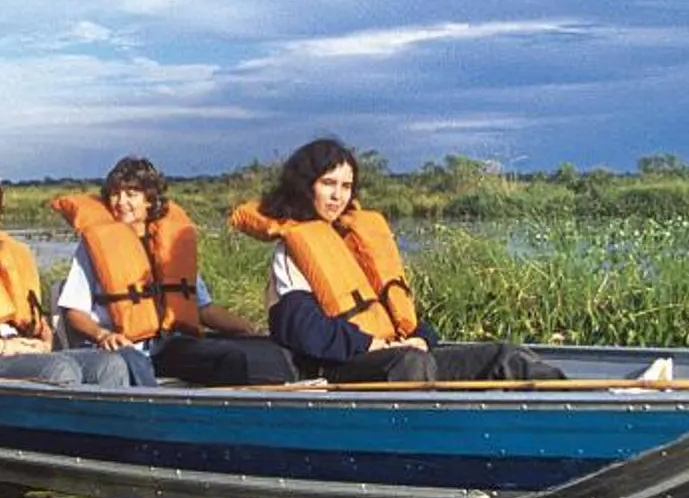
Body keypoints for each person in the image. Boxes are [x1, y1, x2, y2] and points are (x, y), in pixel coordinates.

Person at [232, 137, 563, 384]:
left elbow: (398, 316)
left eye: (346, 186)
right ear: (306, 187)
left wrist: (421, 337)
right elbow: (301, 329)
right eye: (328, 184)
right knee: (411, 364)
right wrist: (372, 344)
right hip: (337, 370)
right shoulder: (292, 250)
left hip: (397, 354)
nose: (338, 196)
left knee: (504, 357)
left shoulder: (355, 240)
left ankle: (575, 407)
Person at [53, 157, 296, 386]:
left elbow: (204, 309)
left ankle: (229, 420)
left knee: (230, 357)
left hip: (167, 344)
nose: (121, 202)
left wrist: (248, 328)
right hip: (123, 349)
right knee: (135, 364)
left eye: (131, 194)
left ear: (149, 200)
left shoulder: (170, 246)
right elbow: (74, 312)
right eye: (115, 194)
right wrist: (103, 335)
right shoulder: (94, 246)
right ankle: (151, 424)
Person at [0, 168, 139, 386]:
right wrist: (1, 347)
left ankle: (105, 423)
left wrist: (44, 344)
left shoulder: (5, 257)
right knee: (60, 370)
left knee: (110, 364)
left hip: (19, 350)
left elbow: (38, 322)